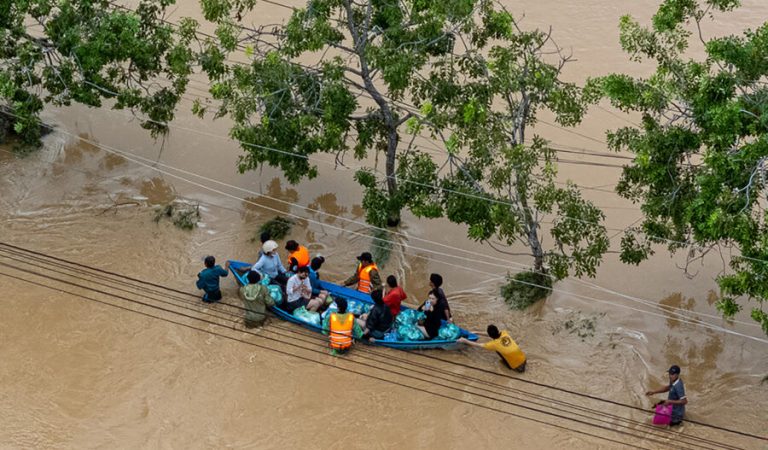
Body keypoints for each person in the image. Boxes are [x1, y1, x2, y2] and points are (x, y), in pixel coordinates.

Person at [458, 325, 527, 372]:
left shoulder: (494, 344)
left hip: (517, 367)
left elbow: (478, 345)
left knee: (498, 351)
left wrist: (465, 341)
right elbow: (493, 334)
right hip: (524, 359)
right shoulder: (504, 333)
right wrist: (477, 332)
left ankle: (507, 364)